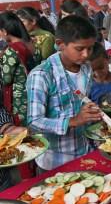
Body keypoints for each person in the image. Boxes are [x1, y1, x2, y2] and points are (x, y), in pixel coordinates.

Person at [26, 15, 102, 171]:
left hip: (85, 152)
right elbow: (34, 122)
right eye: (80, 49)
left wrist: (90, 113)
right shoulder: (42, 75)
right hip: (55, 161)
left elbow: (81, 100)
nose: (86, 54)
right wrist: (73, 121)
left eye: (90, 48)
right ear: (60, 44)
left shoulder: (86, 68)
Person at [0, 12, 36, 126]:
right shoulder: (30, 45)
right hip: (33, 91)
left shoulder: (11, 51)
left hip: (19, 99)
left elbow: (6, 79)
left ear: (5, 31)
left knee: (21, 132)